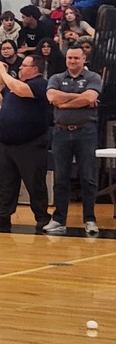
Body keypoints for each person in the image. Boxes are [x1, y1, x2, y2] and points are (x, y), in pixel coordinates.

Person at [0, 56, 51, 233]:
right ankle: (3, 216)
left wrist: (4, 73)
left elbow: (20, 90)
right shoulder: (14, 85)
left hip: (30, 143)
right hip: (6, 144)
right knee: (6, 183)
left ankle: (42, 216)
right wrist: (1, 75)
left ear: (35, 69)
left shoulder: (40, 84)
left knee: (34, 182)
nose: (20, 68)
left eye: (24, 65)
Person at [43, 46, 102, 235]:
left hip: (86, 132)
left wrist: (64, 102)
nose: (72, 61)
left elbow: (91, 96)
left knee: (88, 177)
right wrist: (80, 98)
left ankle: (90, 220)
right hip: (60, 132)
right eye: (69, 57)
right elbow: (51, 96)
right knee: (60, 178)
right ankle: (59, 219)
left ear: (84, 59)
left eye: (76, 58)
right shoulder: (56, 78)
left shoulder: (93, 77)